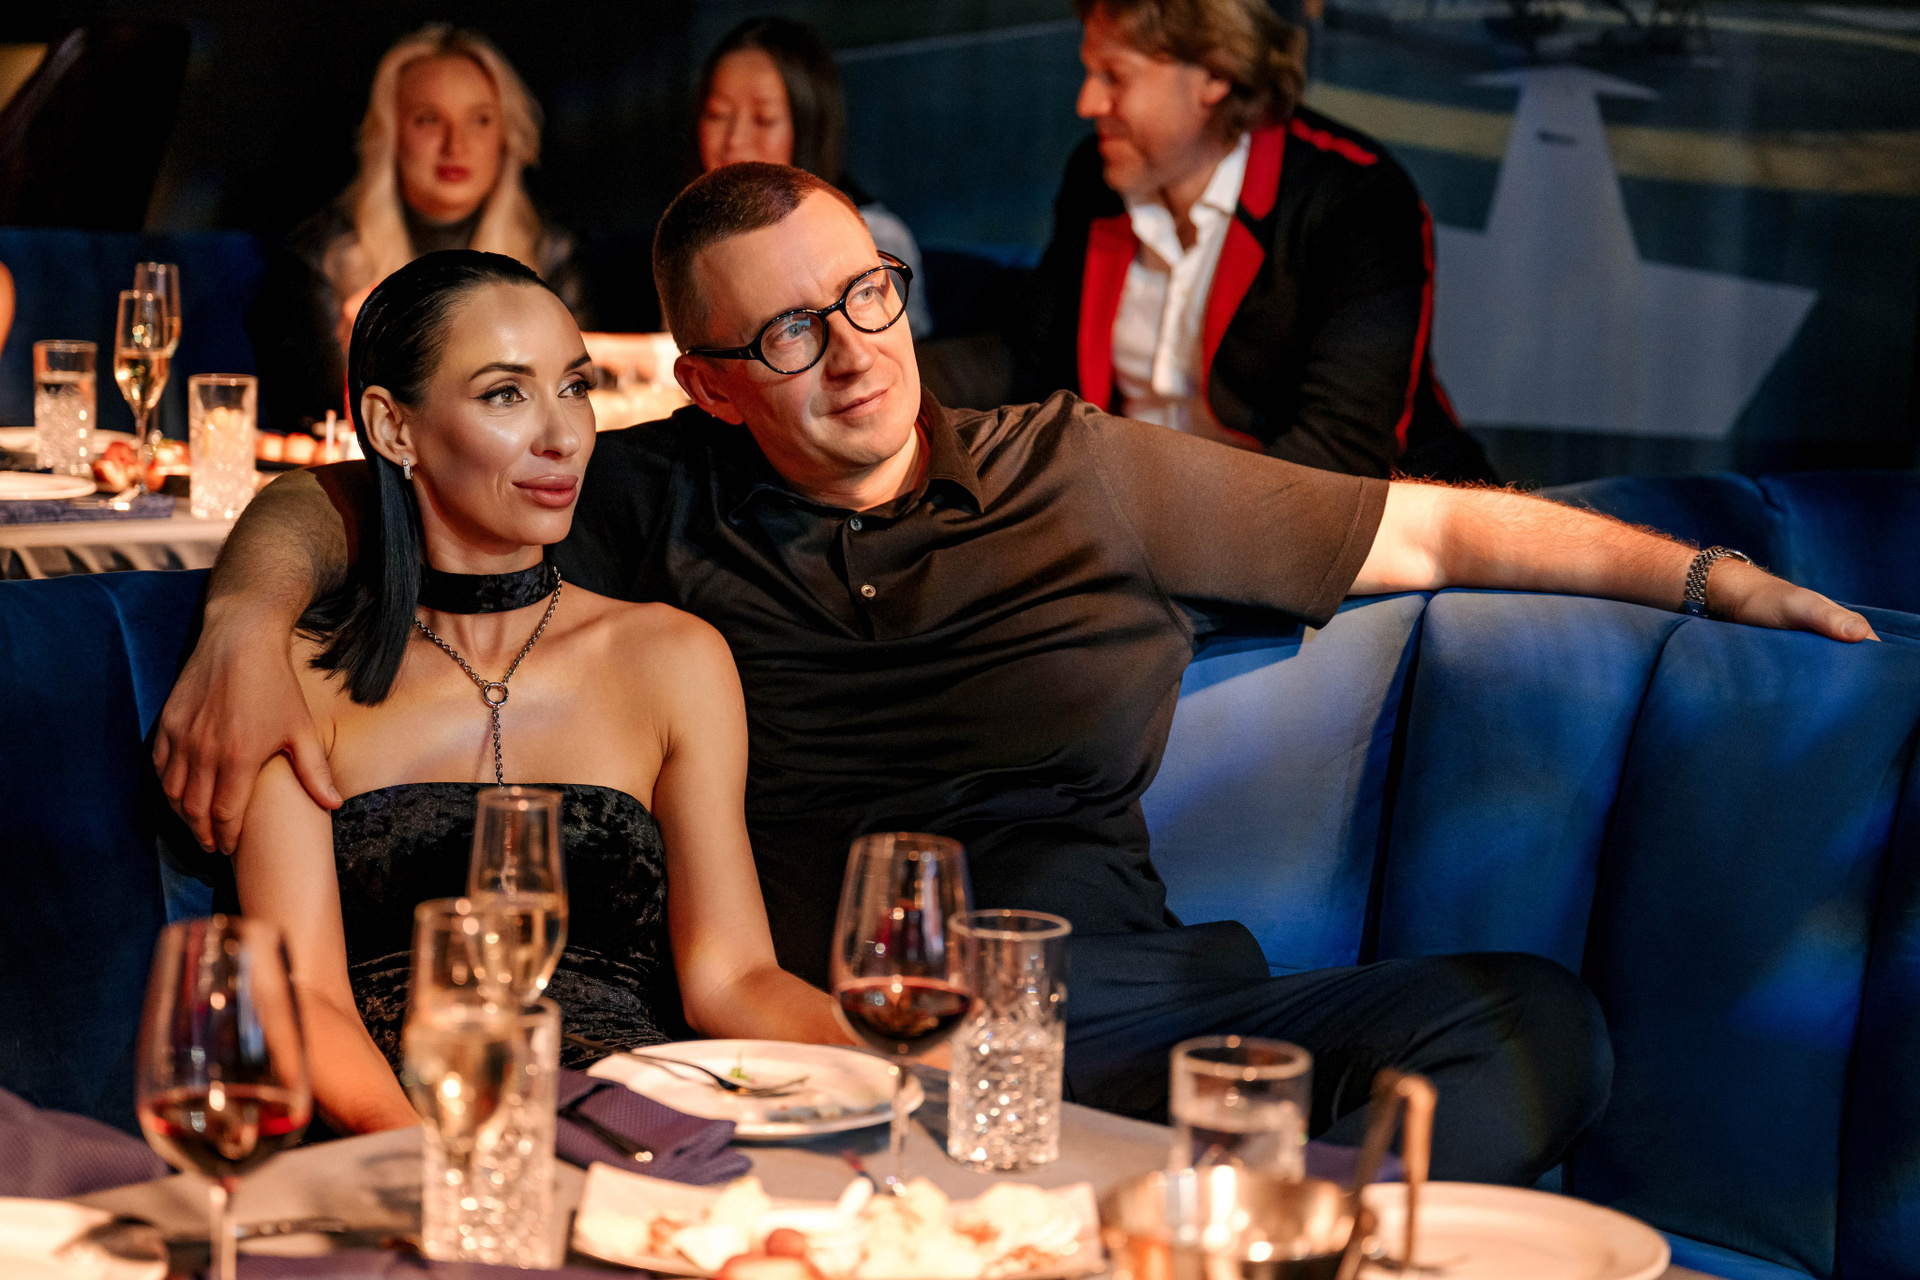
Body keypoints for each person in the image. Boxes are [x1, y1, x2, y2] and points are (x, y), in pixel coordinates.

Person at [157, 163, 1876, 1180]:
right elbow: (356, 497)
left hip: (1131, 1010)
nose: (854, 355)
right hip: (845, 1051)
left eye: (867, 296)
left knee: (1528, 1023)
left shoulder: (1080, 468)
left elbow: (1435, 534)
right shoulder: (641, 493)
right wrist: (242, 621)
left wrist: (1711, 577)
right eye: (788, 334)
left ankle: (1232, 1234)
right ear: (713, 381)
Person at [226, 248, 841, 1135]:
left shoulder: (673, 658)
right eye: (506, 394)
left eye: (576, 387)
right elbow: (305, 998)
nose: (564, 435)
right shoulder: (297, 679)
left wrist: (894, 1055)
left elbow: (732, 978)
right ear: (393, 428)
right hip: (397, 1133)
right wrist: (433, 1164)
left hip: (643, 1131)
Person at [1016, 0, 1494, 481]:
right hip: (1148, 508)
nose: (1087, 103)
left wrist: (1145, 517)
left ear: (1213, 76)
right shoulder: (1096, 175)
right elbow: (1032, 359)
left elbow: (1341, 454)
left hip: (1366, 515)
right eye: (1090, 73)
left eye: (1115, 76)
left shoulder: (1357, 199)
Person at [247, 24, 583, 436]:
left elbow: (580, 396)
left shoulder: (551, 251)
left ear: (506, 136)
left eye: (480, 120)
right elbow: (332, 420)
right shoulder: (323, 257)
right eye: (428, 120)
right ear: (390, 134)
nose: (456, 144)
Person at [696, 16, 932, 339]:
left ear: (810, 128)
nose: (734, 140)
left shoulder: (871, 238)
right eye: (717, 114)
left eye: (764, 119)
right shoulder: (700, 240)